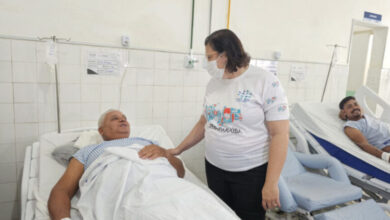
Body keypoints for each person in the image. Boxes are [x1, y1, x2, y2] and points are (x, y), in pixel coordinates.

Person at [165, 29, 289, 220]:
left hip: (250, 173)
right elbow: (203, 122)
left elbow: (280, 134)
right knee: (220, 214)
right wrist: (178, 149)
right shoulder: (214, 83)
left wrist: (271, 183)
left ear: (226, 54)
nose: (207, 63)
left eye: (210, 57)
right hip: (215, 167)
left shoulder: (265, 82)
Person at [48, 109, 185, 220]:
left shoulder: (148, 142)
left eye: (124, 117)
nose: (123, 119)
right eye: (114, 118)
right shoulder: (88, 151)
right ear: (101, 130)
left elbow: (180, 173)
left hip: (160, 182)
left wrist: (166, 154)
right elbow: (62, 190)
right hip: (117, 183)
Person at [339, 96, 390, 162]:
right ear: (344, 112)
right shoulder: (351, 127)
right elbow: (364, 145)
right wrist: (387, 157)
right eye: (349, 107)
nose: (355, 107)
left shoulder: (365, 116)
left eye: (356, 104)